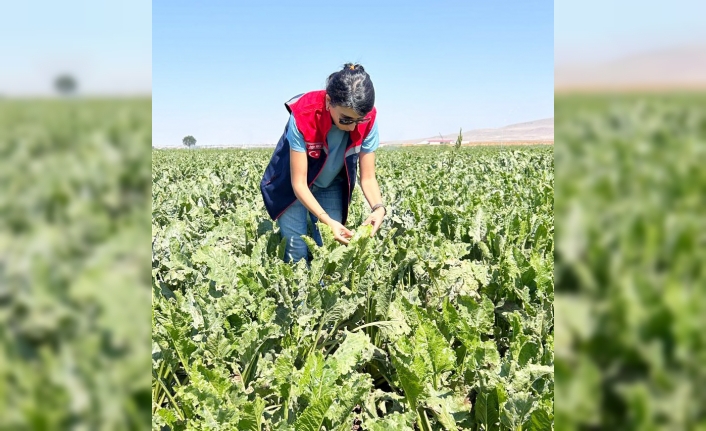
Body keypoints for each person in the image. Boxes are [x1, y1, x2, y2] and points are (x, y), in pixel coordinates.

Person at [260, 63, 386, 264]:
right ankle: (299, 295)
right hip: (292, 187)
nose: (352, 126)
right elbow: (299, 183)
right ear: (329, 101)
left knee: (328, 250)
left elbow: (368, 177)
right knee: (296, 249)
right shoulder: (304, 114)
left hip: (331, 183)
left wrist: (379, 208)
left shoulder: (368, 119)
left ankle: (320, 292)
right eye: (345, 120)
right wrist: (327, 220)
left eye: (359, 120)